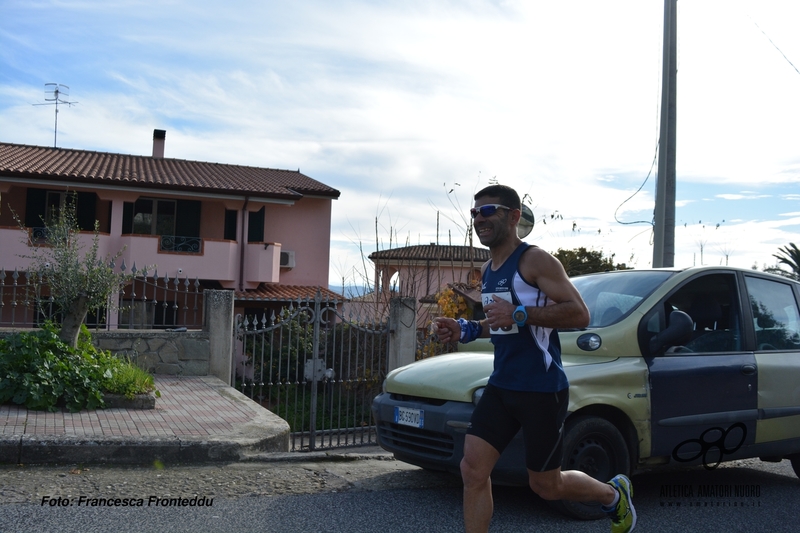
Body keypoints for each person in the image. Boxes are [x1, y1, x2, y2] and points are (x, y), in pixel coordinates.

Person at [433, 184, 636, 533]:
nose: (478, 219)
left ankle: (612, 495)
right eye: (474, 212)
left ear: (513, 217)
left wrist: (520, 314)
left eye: (488, 211)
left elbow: (578, 314)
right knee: (472, 470)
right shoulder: (489, 268)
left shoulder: (535, 260)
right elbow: (501, 322)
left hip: (541, 389)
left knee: (546, 485)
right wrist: (465, 329)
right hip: (502, 386)